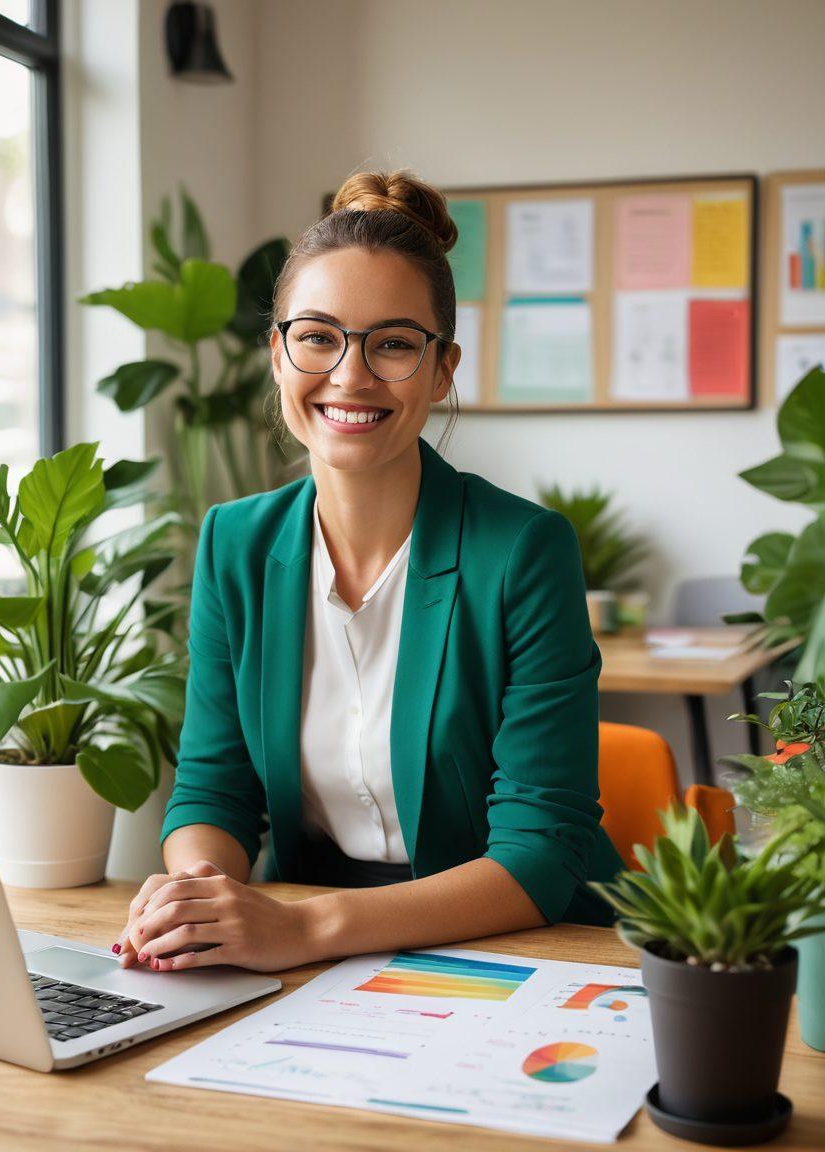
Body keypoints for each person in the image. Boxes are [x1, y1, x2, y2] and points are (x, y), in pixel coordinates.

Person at [112, 169, 626, 976]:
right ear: (278, 353)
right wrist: (204, 895)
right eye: (317, 336)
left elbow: (540, 852)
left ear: (442, 369)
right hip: (304, 956)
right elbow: (214, 791)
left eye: (391, 343)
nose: (350, 375)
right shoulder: (233, 544)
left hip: (517, 950)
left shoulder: (524, 550)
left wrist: (307, 929)